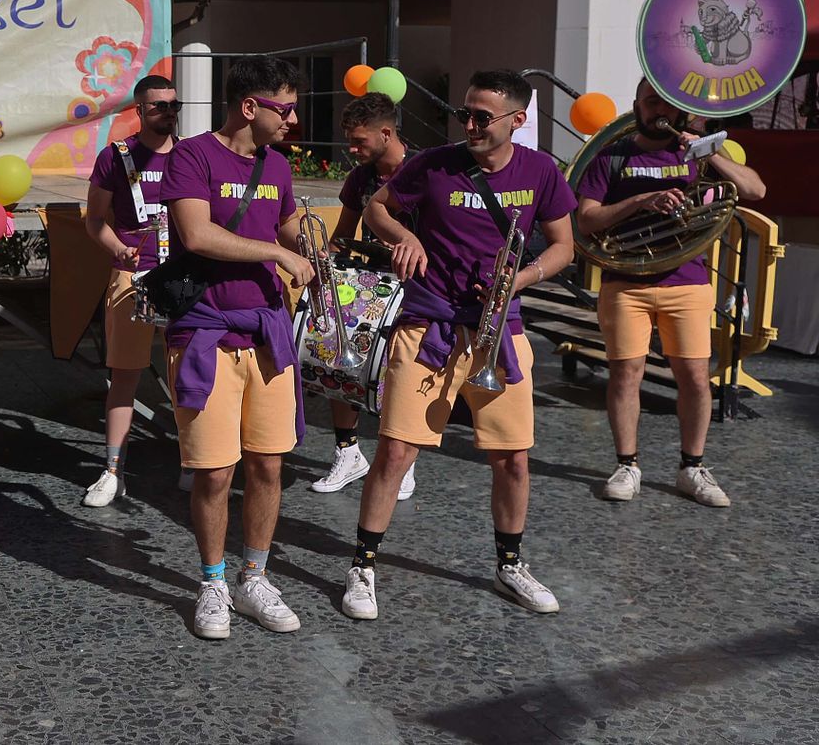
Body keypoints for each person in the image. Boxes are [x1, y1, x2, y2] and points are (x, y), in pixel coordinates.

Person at [341, 69, 576, 621]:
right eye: (464, 113)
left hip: (498, 327)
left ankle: (510, 565)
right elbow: (377, 209)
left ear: (517, 121)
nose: (468, 124)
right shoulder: (433, 164)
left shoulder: (541, 171)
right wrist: (406, 236)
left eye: (481, 116)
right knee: (396, 450)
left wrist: (523, 277)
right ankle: (362, 566)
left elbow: (565, 244)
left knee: (513, 459)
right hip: (429, 323)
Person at [161, 56, 316, 640]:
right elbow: (196, 234)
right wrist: (276, 254)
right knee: (214, 473)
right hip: (205, 333)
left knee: (270, 465)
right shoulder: (193, 155)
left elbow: (284, 223)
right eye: (286, 108)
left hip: (267, 333)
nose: (294, 119)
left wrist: (319, 246)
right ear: (250, 107)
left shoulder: (276, 165)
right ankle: (213, 582)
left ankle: (255, 577)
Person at [575, 79, 766, 506]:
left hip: (688, 280)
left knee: (697, 378)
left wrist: (709, 151)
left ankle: (692, 467)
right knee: (626, 374)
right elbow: (586, 220)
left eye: (664, 101)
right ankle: (628, 464)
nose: (656, 108)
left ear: (680, 108)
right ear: (636, 106)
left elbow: (755, 191)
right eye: (648, 101)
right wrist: (641, 202)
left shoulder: (699, 154)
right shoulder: (612, 156)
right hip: (626, 283)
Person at [311, 92, 417, 501]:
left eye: (359, 141)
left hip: (416, 289)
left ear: (387, 133)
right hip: (371, 287)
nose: (352, 150)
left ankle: (402, 461)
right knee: (340, 362)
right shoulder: (361, 178)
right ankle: (348, 452)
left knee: (403, 377)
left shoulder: (424, 170)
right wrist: (328, 259)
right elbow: (344, 235)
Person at [80, 73, 180, 507]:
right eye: (158, 106)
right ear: (139, 111)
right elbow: (94, 220)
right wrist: (118, 248)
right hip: (132, 279)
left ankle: (197, 463)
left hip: (182, 278)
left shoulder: (193, 155)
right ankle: (112, 471)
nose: (168, 113)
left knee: (187, 375)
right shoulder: (115, 156)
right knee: (124, 377)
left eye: (174, 105)